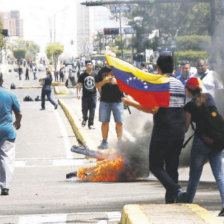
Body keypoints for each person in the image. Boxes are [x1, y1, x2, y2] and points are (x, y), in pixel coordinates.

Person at [122, 55, 186, 203]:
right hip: (178, 131)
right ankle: (173, 201)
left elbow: (153, 109)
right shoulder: (180, 84)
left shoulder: (160, 84)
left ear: (158, 69)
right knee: (172, 167)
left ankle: (176, 190)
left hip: (164, 130)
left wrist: (131, 103)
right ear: (173, 67)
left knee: (155, 165)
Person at [183, 77, 224, 216]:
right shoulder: (210, 98)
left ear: (189, 90)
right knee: (219, 176)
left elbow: (185, 127)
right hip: (216, 142)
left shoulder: (190, 106)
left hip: (201, 142)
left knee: (194, 175)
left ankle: (188, 203)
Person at [0, 72, 22, 195]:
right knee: (6, 158)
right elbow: (19, 113)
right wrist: (18, 123)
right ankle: (5, 186)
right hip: (6, 131)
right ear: (2, 81)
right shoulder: (10, 94)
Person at [96, 66, 124, 150]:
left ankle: (119, 141)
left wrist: (117, 81)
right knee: (105, 122)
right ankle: (104, 141)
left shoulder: (120, 70)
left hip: (118, 100)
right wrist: (105, 81)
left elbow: (126, 84)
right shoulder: (102, 71)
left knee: (119, 122)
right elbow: (97, 85)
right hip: (105, 101)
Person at [77, 60, 97, 129]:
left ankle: (91, 124)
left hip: (93, 95)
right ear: (85, 66)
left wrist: (101, 94)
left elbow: (98, 85)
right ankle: (85, 118)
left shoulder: (95, 75)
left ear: (92, 65)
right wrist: (78, 93)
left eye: (90, 64)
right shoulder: (82, 75)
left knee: (92, 110)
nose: (89, 66)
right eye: (87, 65)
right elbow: (79, 85)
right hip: (85, 96)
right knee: (84, 109)